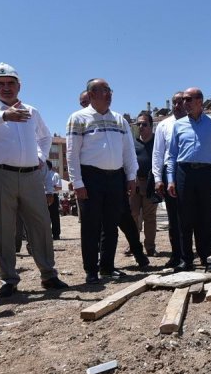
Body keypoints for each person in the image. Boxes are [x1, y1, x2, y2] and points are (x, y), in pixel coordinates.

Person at [0, 63, 68, 298]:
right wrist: (4, 116)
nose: (6, 88)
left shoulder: (32, 110)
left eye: (11, 83)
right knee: (4, 228)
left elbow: (45, 136)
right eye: (0, 84)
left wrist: (42, 156)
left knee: (41, 225)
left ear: (19, 85)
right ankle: (9, 279)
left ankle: (49, 274)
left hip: (32, 174)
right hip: (0, 173)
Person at [67, 78, 148, 284]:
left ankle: (107, 267)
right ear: (91, 94)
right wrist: (77, 182)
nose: (108, 94)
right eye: (103, 90)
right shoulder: (78, 119)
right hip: (90, 177)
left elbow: (128, 151)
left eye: (109, 90)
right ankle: (91, 271)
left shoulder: (119, 120)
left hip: (115, 178)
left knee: (111, 226)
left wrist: (131, 177)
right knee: (91, 226)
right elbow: (72, 153)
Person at [166, 88, 211, 271]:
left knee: (206, 217)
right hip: (184, 172)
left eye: (188, 99)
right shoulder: (178, 125)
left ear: (200, 101)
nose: (185, 102)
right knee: (184, 217)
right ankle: (187, 260)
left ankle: (207, 259)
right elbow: (171, 155)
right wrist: (170, 179)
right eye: (183, 99)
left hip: (206, 173)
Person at [153, 92, 185, 268]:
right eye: (175, 102)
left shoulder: (194, 123)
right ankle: (176, 255)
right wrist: (158, 178)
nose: (178, 105)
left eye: (180, 102)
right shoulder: (164, 125)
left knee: (191, 216)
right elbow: (157, 153)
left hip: (189, 171)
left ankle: (191, 254)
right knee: (174, 217)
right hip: (170, 172)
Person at [128, 110, 158, 256]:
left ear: (151, 126)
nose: (141, 127)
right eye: (138, 124)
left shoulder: (157, 142)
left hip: (151, 185)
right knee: (132, 216)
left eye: (144, 124)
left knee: (150, 217)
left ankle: (150, 247)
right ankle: (133, 245)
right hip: (135, 185)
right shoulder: (132, 143)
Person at [45, 160, 62, 239]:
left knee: (54, 216)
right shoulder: (41, 174)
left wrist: (51, 187)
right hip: (43, 196)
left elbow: (59, 187)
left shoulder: (55, 175)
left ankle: (56, 234)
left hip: (53, 195)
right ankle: (45, 234)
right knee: (43, 216)